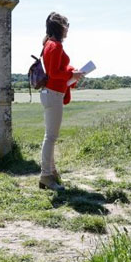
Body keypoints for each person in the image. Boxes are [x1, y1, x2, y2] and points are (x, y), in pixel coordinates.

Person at [39, 12, 85, 191]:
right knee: (50, 137)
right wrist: (72, 74)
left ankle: (51, 172)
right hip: (54, 93)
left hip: (50, 93)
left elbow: (57, 69)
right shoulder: (55, 46)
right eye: (67, 25)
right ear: (61, 27)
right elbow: (54, 73)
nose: (68, 29)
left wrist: (70, 71)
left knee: (49, 136)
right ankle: (46, 176)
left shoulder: (48, 43)